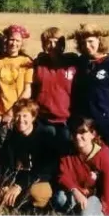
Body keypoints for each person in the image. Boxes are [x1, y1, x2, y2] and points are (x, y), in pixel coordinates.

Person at [70, 23, 109, 216]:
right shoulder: (82, 63)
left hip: (108, 127)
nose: (87, 45)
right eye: (83, 42)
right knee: (88, 165)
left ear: (100, 41)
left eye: (91, 41)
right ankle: (94, 205)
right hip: (85, 128)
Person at [0, 99, 56, 212]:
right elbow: (6, 165)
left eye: (25, 116)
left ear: (33, 117)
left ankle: (35, 209)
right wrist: (5, 185)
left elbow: (43, 170)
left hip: (38, 180)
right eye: (18, 115)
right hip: (17, 181)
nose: (21, 120)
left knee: (36, 193)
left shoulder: (44, 136)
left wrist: (19, 186)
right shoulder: (11, 138)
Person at [52, 117, 109, 216]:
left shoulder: (103, 156)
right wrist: (75, 190)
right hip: (77, 193)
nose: (78, 136)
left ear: (93, 134)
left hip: (96, 199)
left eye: (82, 132)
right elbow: (63, 176)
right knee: (60, 198)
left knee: (86, 213)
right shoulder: (68, 151)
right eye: (75, 133)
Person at [32, 27, 78, 155]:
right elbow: (32, 89)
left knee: (65, 157)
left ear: (63, 44)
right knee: (45, 157)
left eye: (57, 42)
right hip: (43, 120)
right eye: (48, 42)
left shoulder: (73, 63)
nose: (53, 46)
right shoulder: (39, 64)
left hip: (66, 121)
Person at [0, 25, 33, 144]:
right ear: (6, 40)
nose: (14, 43)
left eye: (17, 41)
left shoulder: (26, 62)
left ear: (22, 43)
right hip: (0, 115)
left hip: (19, 115)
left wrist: (11, 112)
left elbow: (27, 90)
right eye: (11, 39)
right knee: (3, 147)